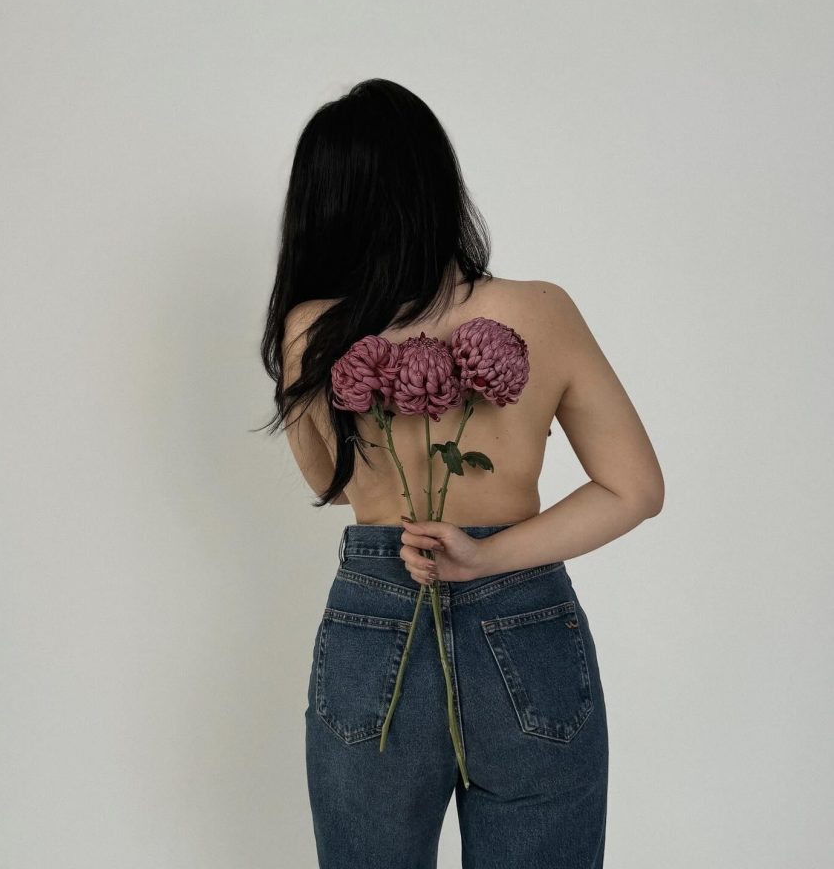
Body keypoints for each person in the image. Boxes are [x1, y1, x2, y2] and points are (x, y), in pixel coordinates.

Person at [257, 77, 665, 868]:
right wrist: (487, 555)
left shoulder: (311, 328)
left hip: (378, 615)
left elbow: (328, 483)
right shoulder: (540, 310)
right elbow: (636, 489)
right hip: (525, 620)